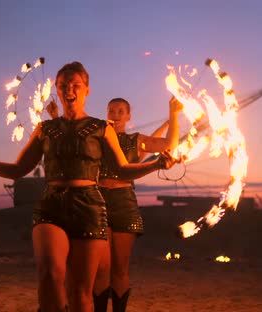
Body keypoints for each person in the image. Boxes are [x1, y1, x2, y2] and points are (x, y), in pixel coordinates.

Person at [0, 61, 177, 312]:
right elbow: (17, 170)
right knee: (50, 275)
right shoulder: (45, 129)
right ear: (57, 90)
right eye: (63, 86)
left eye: (75, 85)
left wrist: (157, 164)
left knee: (81, 293)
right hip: (52, 206)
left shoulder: (102, 129)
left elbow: (122, 169)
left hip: (89, 207)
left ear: (86, 90)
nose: (69, 90)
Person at [93, 97, 181, 312]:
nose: (115, 114)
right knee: (102, 269)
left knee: (120, 270)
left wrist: (173, 114)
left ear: (128, 116)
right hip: (98, 201)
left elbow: (168, 145)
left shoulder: (135, 140)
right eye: (111, 110)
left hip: (124, 202)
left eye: (120, 111)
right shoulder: (97, 139)